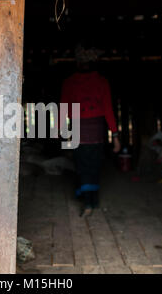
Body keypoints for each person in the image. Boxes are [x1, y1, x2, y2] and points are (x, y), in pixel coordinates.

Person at [60, 46, 121, 217]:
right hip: (96, 131)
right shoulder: (102, 82)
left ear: (78, 62)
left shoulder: (69, 82)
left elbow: (63, 109)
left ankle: (88, 203)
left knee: (82, 166)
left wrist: (62, 133)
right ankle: (92, 201)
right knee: (94, 165)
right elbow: (108, 110)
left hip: (78, 130)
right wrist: (115, 136)